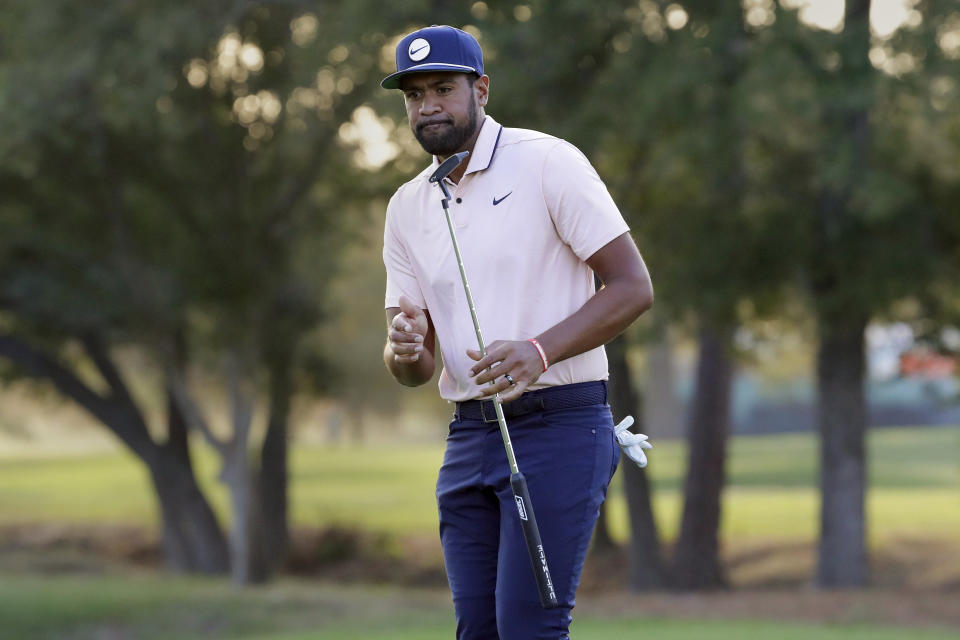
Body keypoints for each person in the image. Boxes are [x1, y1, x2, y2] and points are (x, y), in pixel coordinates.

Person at [380, 25, 653, 640]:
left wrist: (539, 351)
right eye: (414, 94)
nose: (428, 106)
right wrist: (404, 351)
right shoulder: (406, 207)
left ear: (481, 88)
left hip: (560, 426)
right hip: (468, 438)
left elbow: (633, 287)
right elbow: (413, 367)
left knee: (528, 629)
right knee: (477, 631)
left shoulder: (548, 161)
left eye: (443, 88)